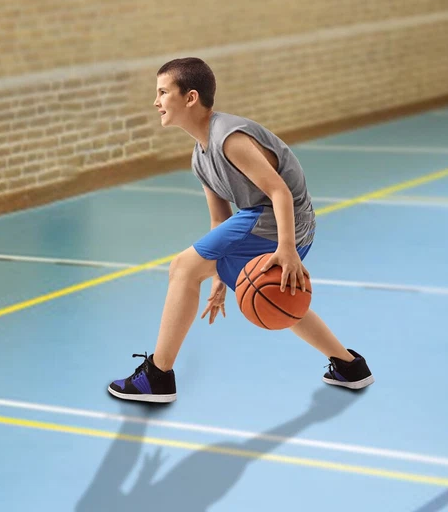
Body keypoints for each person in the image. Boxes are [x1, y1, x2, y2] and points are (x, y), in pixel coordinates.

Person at [108, 57, 373, 403]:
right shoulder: (200, 157)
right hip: (265, 222)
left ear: (190, 98)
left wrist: (287, 250)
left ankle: (158, 376)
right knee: (277, 298)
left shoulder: (228, 138)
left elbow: (279, 191)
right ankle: (350, 366)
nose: (155, 102)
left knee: (181, 268)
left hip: (282, 220)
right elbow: (220, 221)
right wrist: (219, 276)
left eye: (162, 92)